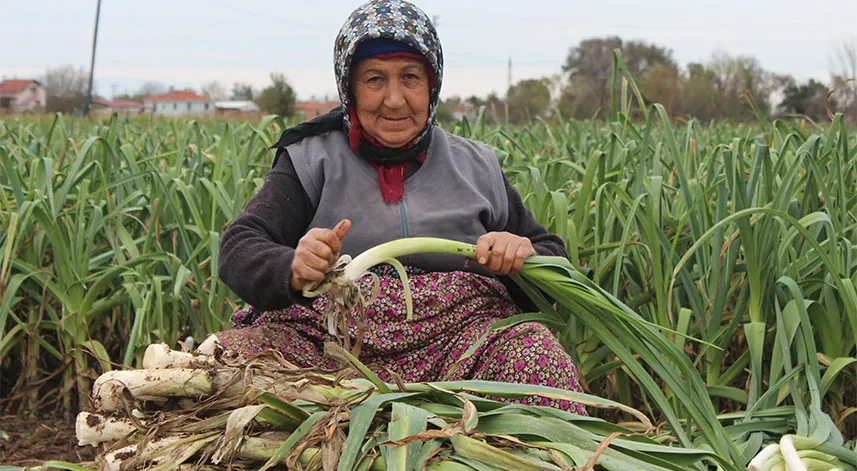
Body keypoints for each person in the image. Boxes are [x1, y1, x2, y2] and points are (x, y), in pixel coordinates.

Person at [217, 0, 585, 414]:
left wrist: (522, 254)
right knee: (231, 366)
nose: (394, 100)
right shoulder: (312, 158)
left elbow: (554, 259)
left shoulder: (475, 165)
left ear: (432, 84)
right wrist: (292, 266)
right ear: (349, 89)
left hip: (461, 345)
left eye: (410, 77)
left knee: (538, 360)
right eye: (375, 79)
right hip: (329, 349)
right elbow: (239, 246)